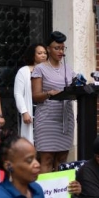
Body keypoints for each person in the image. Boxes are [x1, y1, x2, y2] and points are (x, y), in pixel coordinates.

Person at [31, 31, 75, 173]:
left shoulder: (68, 69)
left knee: (62, 160)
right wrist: (49, 93)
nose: (60, 51)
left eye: (62, 48)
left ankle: (61, 193)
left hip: (65, 120)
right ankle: (46, 193)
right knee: (47, 159)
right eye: (57, 48)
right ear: (48, 49)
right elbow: (35, 96)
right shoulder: (40, 69)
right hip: (47, 120)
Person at [14, 43, 48, 144]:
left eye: (45, 53)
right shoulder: (23, 71)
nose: (43, 55)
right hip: (31, 111)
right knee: (31, 142)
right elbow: (18, 93)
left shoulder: (49, 70)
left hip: (47, 112)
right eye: (39, 53)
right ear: (32, 55)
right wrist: (24, 112)